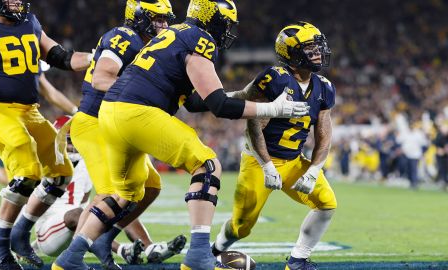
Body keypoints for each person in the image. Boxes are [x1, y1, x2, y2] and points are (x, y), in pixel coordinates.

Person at [53, 0, 310, 269]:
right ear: (211, 19)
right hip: (138, 112)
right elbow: (219, 106)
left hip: (110, 113)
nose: (227, 30)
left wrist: (243, 96)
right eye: (225, 23)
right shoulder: (200, 39)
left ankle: (70, 258)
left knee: (125, 193)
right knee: (207, 165)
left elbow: (196, 102)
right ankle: (199, 254)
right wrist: (271, 108)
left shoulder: (171, 34)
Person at [0, 0, 91, 269]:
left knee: (61, 173)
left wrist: (99, 57)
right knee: (27, 173)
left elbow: (62, 57)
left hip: (29, 110)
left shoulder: (30, 23)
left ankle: (20, 232)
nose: (17, 2)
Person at [211, 22, 337, 270]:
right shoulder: (275, 79)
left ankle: (298, 260)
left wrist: (313, 170)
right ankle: (211, 252)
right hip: (259, 161)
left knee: (327, 204)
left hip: (293, 160)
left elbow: (324, 134)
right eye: (310, 48)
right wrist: (267, 166)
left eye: (318, 47)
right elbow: (254, 126)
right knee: (241, 226)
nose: (317, 53)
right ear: (292, 54)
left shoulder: (324, 86)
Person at [66, 0, 178, 269]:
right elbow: (101, 79)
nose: (163, 25)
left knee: (150, 185)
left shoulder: (150, 46)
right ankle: (73, 257)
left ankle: (105, 236)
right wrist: (143, 93)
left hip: (115, 125)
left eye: (166, 19)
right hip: (94, 122)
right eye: (157, 19)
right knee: (108, 193)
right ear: (138, 17)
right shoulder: (124, 36)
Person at [33, 116, 186, 265]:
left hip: (76, 229)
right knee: (82, 212)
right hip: (48, 232)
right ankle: (121, 250)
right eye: (68, 141)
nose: (72, 146)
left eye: (73, 141)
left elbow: (93, 202)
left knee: (118, 204)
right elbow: (28, 200)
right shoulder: (45, 163)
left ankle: (150, 248)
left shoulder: (87, 163)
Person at [0, 60, 78, 188]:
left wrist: (77, 111)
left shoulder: (30, 62)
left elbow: (51, 93)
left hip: (22, 121)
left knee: (28, 178)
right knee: (22, 179)